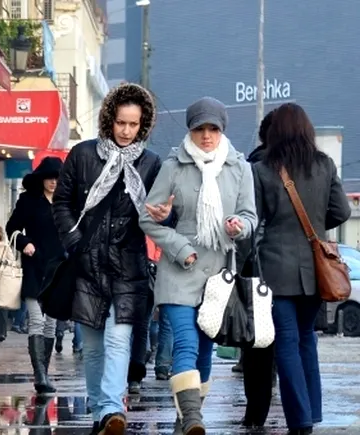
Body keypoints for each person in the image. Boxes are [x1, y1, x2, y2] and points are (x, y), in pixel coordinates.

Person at [140, 96, 258, 435]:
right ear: (190, 130)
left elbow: (251, 215)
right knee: (186, 343)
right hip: (180, 270)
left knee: (206, 349)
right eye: (199, 129)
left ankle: (185, 418)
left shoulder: (239, 167)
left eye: (213, 129)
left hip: (219, 275)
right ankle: (193, 419)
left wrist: (240, 225)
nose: (206, 136)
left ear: (222, 131)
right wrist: (179, 246)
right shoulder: (173, 166)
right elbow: (147, 219)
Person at [53, 83, 162, 434]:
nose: (127, 131)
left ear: (143, 124)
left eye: (133, 124)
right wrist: (74, 241)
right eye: (121, 123)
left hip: (129, 264)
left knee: (119, 339)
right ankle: (102, 412)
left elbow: (162, 213)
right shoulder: (84, 155)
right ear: (109, 121)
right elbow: (62, 203)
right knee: (94, 346)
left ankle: (114, 409)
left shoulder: (151, 163)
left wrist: (164, 215)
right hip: (87, 264)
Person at [253, 103, 350, 435]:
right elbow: (341, 211)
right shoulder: (324, 165)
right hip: (315, 269)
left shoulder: (264, 169)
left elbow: (255, 219)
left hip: (275, 268)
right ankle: (312, 412)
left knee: (287, 342)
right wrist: (317, 226)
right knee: (306, 338)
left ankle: (300, 421)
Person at [5, 156, 66, 393]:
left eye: (57, 178)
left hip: (59, 268)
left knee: (51, 324)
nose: (53, 182)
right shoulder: (28, 201)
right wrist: (24, 242)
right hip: (34, 265)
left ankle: (44, 373)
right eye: (49, 178)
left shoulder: (65, 202)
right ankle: (39, 374)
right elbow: (12, 228)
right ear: (41, 179)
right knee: (37, 321)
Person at [237, 109, 278, 428]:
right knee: (292, 340)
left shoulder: (255, 168)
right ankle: (303, 411)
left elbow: (251, 221)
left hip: (259, 269)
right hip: (296, 270)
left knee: (257, 345)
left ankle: (256, 413)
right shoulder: (307, 165)